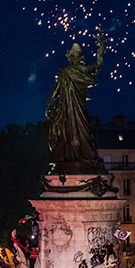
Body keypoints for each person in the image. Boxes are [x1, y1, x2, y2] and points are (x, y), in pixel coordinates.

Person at [46, 32, 106, 172]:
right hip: (67, 109)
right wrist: (49, 105)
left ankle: (79, 156)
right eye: (73, 56)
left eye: (76, 56)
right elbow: (57, 89)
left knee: (81, 131)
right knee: (74, 131)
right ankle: (73, 157)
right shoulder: (65, 72)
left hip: (77, 107)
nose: (74, 59)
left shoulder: (77, 70)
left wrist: (100, 51)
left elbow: (97, 66)